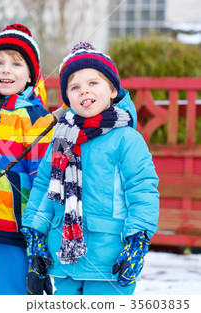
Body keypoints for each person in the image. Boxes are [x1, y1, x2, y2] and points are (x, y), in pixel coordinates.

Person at [21, 42, 159, 295]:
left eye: (93, 83)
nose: (84, 90)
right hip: (62, 258)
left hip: (110, 261)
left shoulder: (126, 140)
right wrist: (36, 234)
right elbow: (43, 188)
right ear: (68, 99)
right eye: (74, 87)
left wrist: (138, 239)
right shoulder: (61, 140)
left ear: (113, 90)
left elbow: (143, 191)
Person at [0, 24, 58, 295]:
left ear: (31, 74)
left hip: (15, 231)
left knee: (11, 294)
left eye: (17, 63)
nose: (6, 70)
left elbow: (42, 180)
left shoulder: (37, 118)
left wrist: (37, 233)